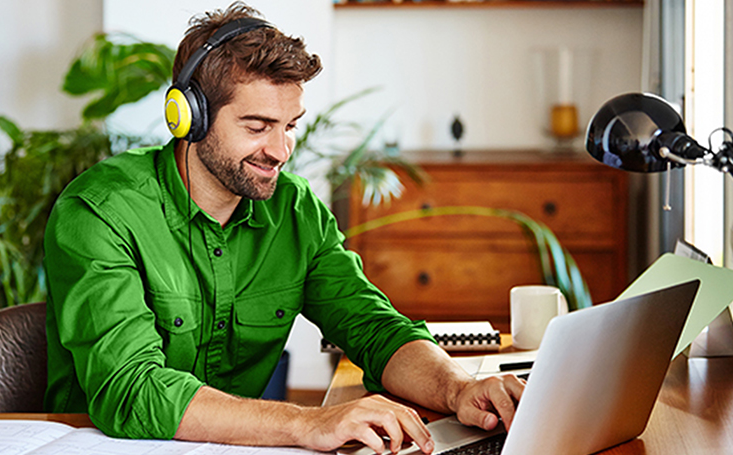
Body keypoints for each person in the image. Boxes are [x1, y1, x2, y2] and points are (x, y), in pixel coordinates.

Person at [43, 3, 524, 454]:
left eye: (290, 125)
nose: (281, 150)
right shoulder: (98, 211)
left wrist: (458, 389)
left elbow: (374, 329)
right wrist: (307, 422)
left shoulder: (295, 210)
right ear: (189, 118)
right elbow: (133, 390)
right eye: (257, 127)